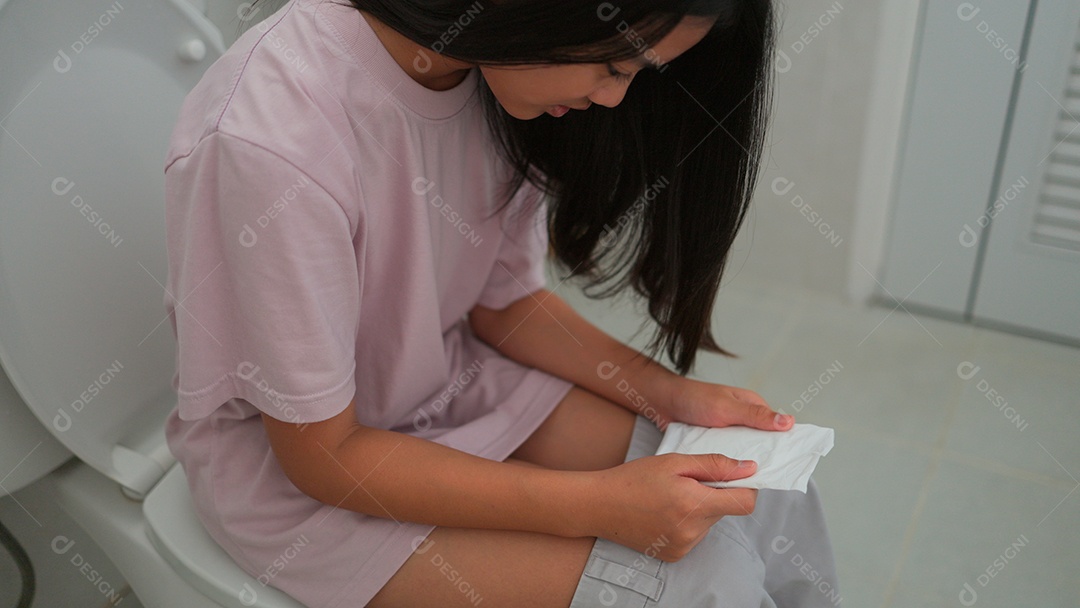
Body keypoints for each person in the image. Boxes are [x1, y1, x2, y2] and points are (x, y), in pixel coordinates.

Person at [162, 0, 840, 606]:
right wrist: (596, 506)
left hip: (441, 383)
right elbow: (323, 454)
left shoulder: (488, 75)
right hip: (298, 478)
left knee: (767, 492)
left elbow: (504, 304)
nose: (613, 99)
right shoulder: (277, 137)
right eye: (612, 65)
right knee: (702, 587)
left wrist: (666, 396)